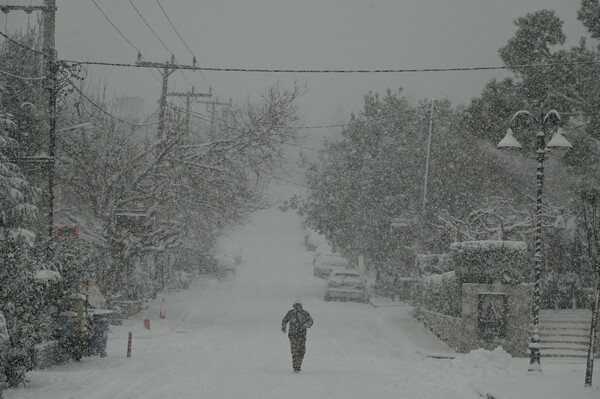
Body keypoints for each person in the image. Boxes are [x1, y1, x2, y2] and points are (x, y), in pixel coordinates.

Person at [281, 300, 313, 373]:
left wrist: (307, 325)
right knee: (294, 351)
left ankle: (299, 364)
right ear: (294, 305)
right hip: (293, 335)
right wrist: (283, 327)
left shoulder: (305, 313)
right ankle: (296, 367)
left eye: (299, 304)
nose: (297, 306)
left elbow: (311, 321)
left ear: (301, 305)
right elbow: (285, 320)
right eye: (296, 304)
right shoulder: (291, 313)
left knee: (302, 351)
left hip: (302, 335)